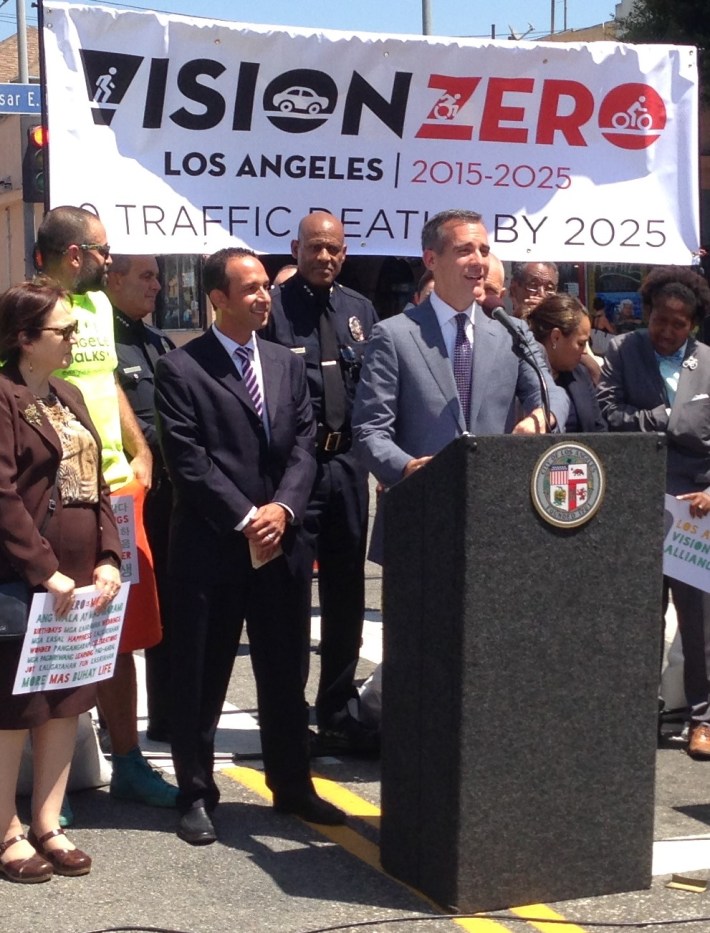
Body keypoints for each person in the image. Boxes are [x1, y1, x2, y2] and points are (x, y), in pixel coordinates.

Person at [154, 247, 346, 846]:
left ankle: (293, 786)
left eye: (266, 285)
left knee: (285, 670)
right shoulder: (182, 369)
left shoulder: (286, 363)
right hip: (213, 546)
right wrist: (246, 517)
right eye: (250, 289)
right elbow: (189, 461)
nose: (265, 296)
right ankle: (196, 792)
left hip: (280, 544)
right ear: (217, 299)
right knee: (203, 674)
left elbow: (305, 443)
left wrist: (283, 509)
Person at [33, 206, 177, 808]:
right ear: (75, 256)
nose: (109, 261)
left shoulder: (94, 308)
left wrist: (139, 450)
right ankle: (52, 779)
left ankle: (129, 761)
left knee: (118, 634)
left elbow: (108, 380)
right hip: (57, 497)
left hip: (116, 494)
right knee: (53, 634)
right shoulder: (26, 311)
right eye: (101, 252)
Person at [352, 208, 569, 564]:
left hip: (494, 521)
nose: (479, 261)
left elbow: (551, 392)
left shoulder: (510, 331)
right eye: (465, 250)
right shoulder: (394, 335)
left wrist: (541, 417)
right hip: (419, 517)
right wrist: (406, 468)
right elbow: (369, 430)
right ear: (431, 259)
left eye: (484, 250)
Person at [0, 281, 122, 882]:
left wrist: (108, 555)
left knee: (64, 700)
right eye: (61, 332)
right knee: (15, 706)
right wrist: (43, 569)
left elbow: (97, 485)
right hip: (27, 580)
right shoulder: (2, 396)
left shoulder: (69, 394)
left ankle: (48, 823)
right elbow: (1, 494)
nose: (73, 339)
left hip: (77, 582)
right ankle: (6, 832)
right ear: (24, 339)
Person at [262, 211, 379, 755]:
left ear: (344, 252)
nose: (325, 257)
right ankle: (287, 720)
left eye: (333, 249)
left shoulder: (360, 311)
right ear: (296, 248)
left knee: (346, 594)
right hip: (296, 471)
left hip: (348, 468)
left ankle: (337, 710)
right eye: (315, 248)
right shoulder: (273, 309)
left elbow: (375, 391)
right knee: (287, 598)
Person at [598, 265, 710, 756]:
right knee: (639, 616)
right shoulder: (621, 352)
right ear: (647, 315)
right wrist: (664, 417)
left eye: (679, 324)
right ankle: (632, 714)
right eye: (661, 320)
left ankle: (702, 720)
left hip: (694, 512)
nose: (668, 331)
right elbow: (608, 416)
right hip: (638, 503)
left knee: (700, 623)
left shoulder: (709, 363)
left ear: (694, 327)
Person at [106, 255, 175, 743]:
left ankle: (167, 715)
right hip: (126, 496)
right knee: (121, 616)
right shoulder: (96, 344)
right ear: (113, 279)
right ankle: (115, 723)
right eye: (146, 276)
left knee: (166, 605)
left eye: (157, 276)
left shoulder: (158, 342)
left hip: (171, 496)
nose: (157, 286)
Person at [528, 294, 607, 432]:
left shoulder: (581, 374)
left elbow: (599, 429)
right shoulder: (522, 380)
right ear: (556, 337)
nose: (584, 352)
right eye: (581, 343)